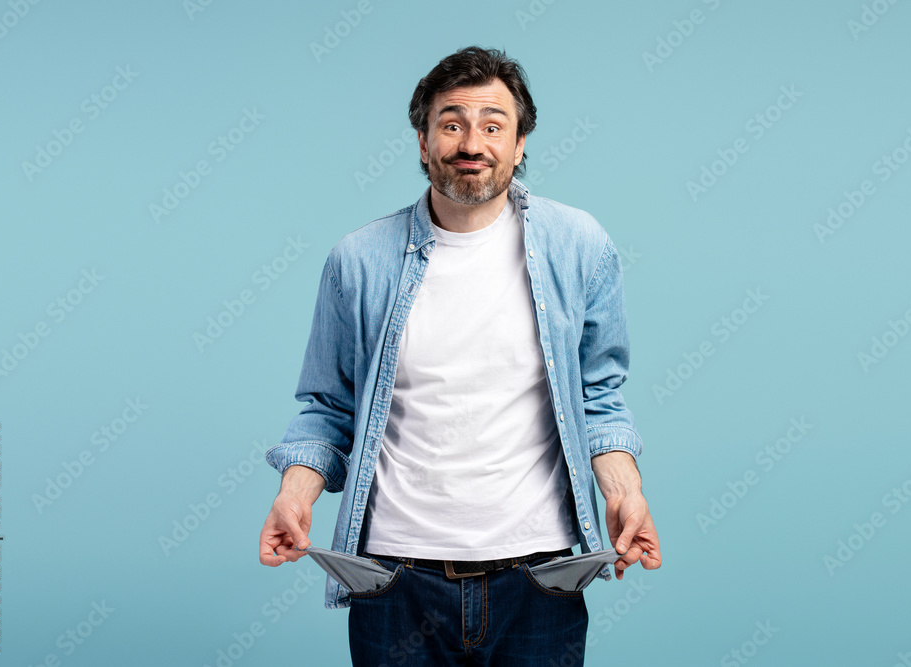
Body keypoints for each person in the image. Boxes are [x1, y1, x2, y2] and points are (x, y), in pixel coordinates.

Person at [258, 45, 661, 665]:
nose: (472, 142)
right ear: (423, 142)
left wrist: (625, 492)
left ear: (520, 142)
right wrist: (295, 494)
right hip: (394, 582)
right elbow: (326, 407)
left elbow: (598, 396)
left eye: (493, 125)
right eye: (452, 123)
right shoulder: (359, 260)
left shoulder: (579, 246)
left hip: (540, 579)